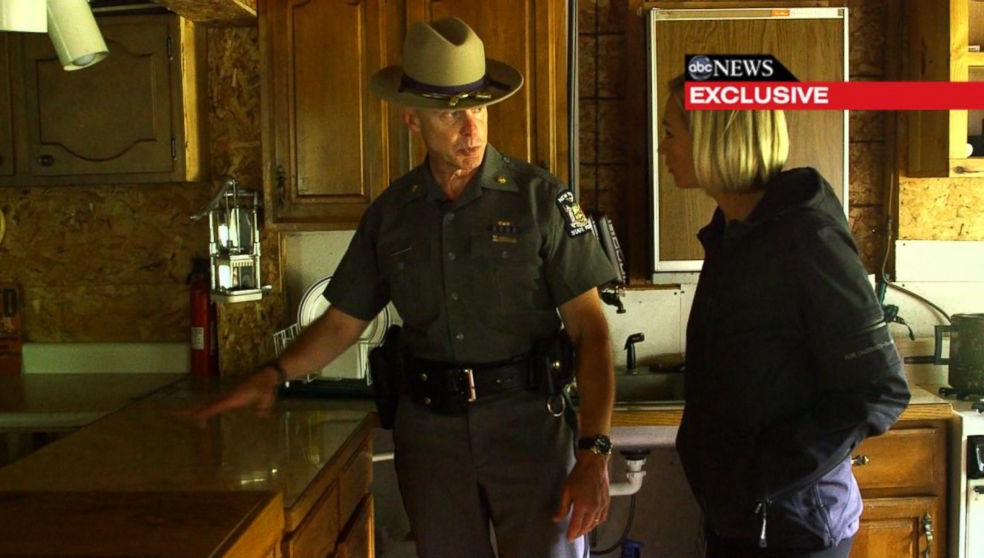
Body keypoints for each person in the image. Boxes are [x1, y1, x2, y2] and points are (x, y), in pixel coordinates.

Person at [191, 17, 618, 558]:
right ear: (412, 117)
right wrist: (275, 373)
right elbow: (344, 321)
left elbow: (592, 332)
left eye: (479, 108)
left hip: (530, 428)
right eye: (451, 113)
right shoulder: (392, 215)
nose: (471, 129)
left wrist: (594, 452)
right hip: (431, 435)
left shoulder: (540, 201)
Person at [658, 75, 910, 558]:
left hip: (797, 528)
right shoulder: (733, 230)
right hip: (743, 520)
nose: (661, 147)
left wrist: (761, 474)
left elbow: (880, 389)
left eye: (671, 132)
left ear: (715, 141)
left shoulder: (805, 238)